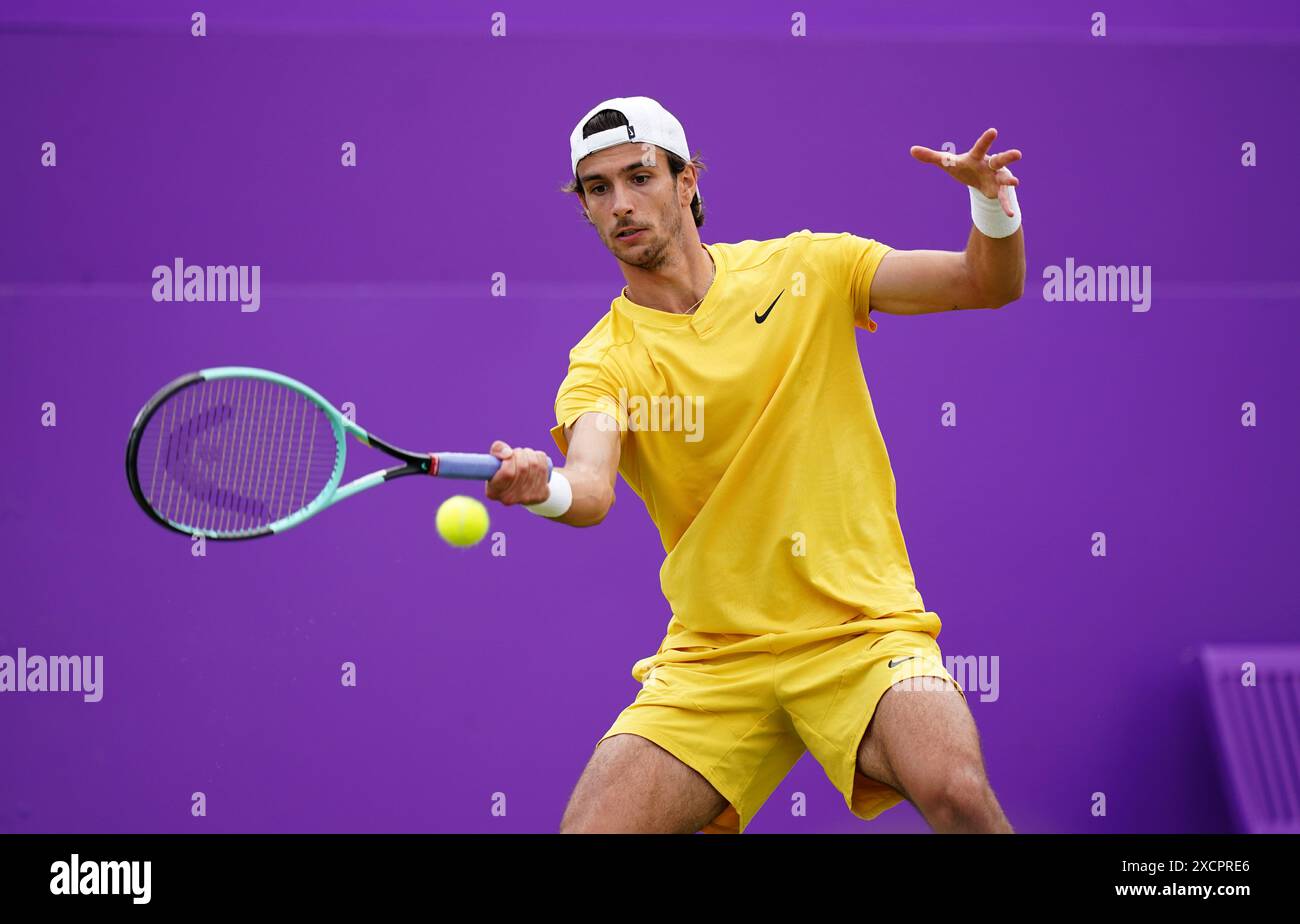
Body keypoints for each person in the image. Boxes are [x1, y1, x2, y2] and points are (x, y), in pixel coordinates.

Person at [484, 96, 1025, 834]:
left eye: (639, 177)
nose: (620, 204)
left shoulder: (808, 268)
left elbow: (984, 284)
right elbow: (589, 486)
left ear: (688, 182)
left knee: (956, 790)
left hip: (861, 630)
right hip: (715, 658)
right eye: (597, 189)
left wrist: (990, 207)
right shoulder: (602, 362)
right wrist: (542, 486)